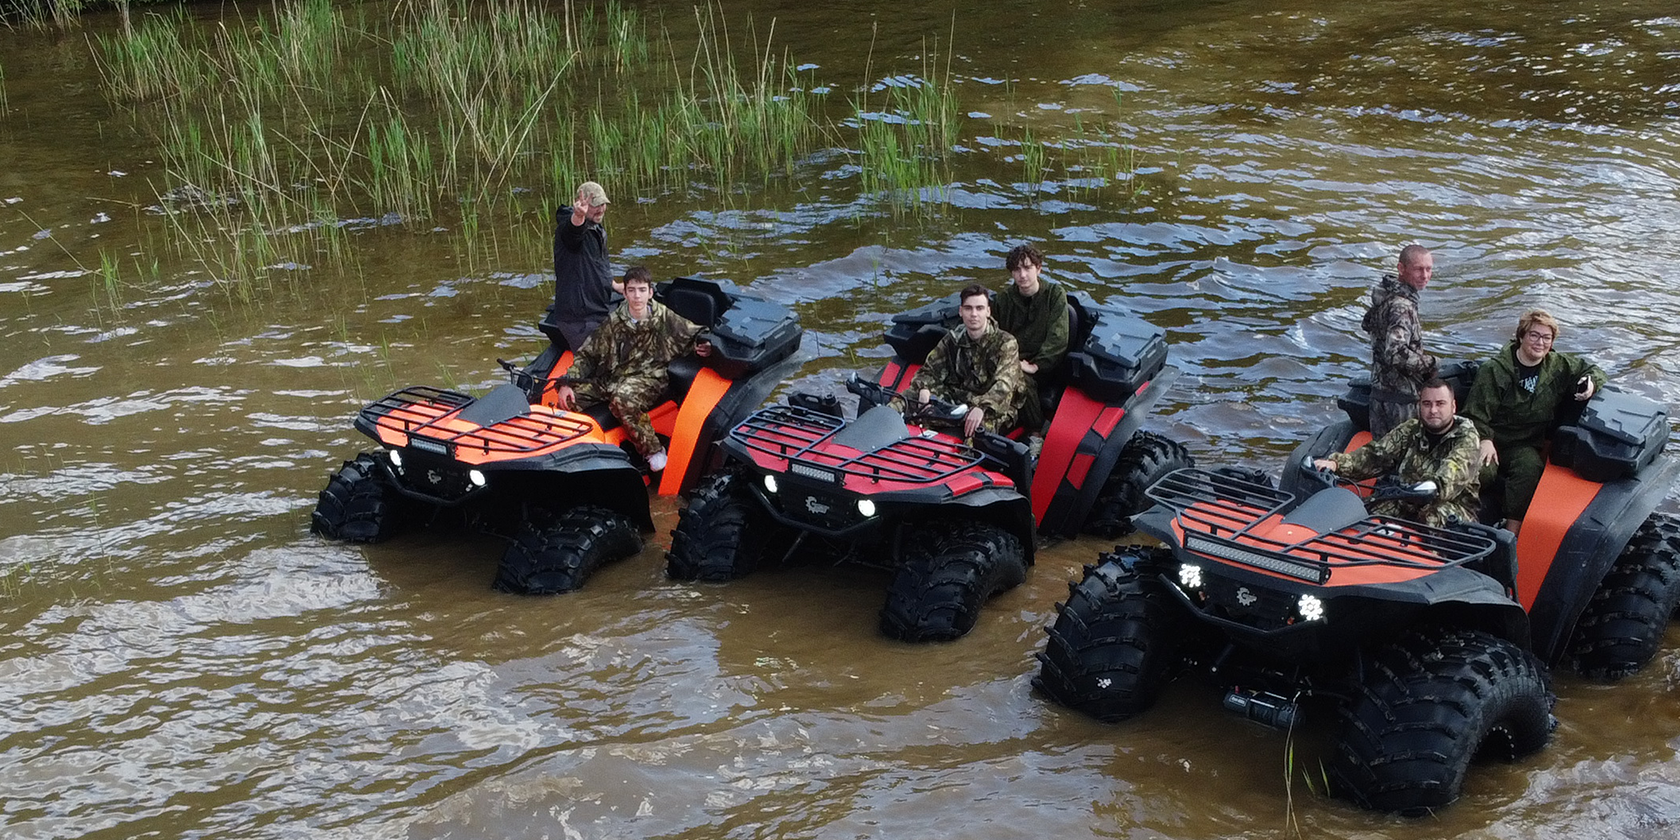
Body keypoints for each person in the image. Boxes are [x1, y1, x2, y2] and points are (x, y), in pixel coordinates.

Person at [1460, 309, 1606, 534]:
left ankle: (1511, 533)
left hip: (1524, 444)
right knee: (1483, 472)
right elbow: (1474, 414)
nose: (1540, 343)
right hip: (1492, 438)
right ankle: (1458, 519)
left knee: (1529, 469)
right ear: (1521, 336)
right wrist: (1485, 439)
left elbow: (1592, 369)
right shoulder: (1495, 370)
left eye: (1547, 338)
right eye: (1534, 335)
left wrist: (1591, 382)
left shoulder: (1557, 366)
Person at [556, 267, 712, 472]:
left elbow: (694, 333)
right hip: (613, 377)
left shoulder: (664, 317)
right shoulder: (614, 322)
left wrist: (705, 344)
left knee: (622, 399)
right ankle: (572, 454)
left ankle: (653, 451)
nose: (637, 296)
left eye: (641, 290)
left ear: (650, 292)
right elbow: (588, 354)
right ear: (625, 293)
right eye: (631, 290)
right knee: (568, 400)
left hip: (649, 376)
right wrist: (567, 382)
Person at [1313, 378, 1481, 528]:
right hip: (1407, 500)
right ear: (1419, 406)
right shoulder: (1411, 429)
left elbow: (1454, 470)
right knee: (1368, 513)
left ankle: (1429, 553)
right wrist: (1336, 464)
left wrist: (1433, 486)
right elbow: (1376, 455)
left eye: (1440, 404)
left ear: (1453, 406)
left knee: (1432, 517)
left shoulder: (1467, 437)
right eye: (1427, 404)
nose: (1433, 410)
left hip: (1452, 506)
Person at [901, 284, 1025, 438]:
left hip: (996, 406)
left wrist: (981, 407)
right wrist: (924, 388)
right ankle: (885, 435)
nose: (974, 314)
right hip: (961, 397)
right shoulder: (952, 339)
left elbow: (1004, 385)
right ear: (961, 311)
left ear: (988, 311)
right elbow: (929, 370)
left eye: (979, 308)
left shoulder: (1005, 343)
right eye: (968, 308)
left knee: (976, 430)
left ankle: (961, 452)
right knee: (908, 397)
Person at [1362, 244, 1438, 438]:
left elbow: (1369, 326)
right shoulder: (1401, 306)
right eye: (1418, 269)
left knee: (1381, 453)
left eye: (1428, 269)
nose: (1425, 275)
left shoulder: (1385, 296)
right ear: (1401, 268)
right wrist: (1431, 363)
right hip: (1401, 402)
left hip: (1379, 395)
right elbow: (1395, 353)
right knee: (1406, 453)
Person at [993, 243, 1070, 433]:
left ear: (1038, 268)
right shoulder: (1004, 299)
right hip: (1012, 360)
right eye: (1017, 270)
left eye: (1027, 268)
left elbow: (1058, 338)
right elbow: (994, 334)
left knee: (1021, 379)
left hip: (1045, 365)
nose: (1022, 275)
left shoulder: (1054, 295)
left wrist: (1036, 365)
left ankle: (1037, 430)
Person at [551, 181, 621, 352]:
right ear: (579, 204)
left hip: (597, 308)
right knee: (599, 359)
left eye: (603, 204)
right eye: (595, 205)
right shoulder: (569, 229)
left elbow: (597, 266)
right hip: (578, 319)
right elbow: (573, 234)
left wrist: (614, 285)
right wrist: (578, 217)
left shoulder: (596, 229)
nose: (601, 209)